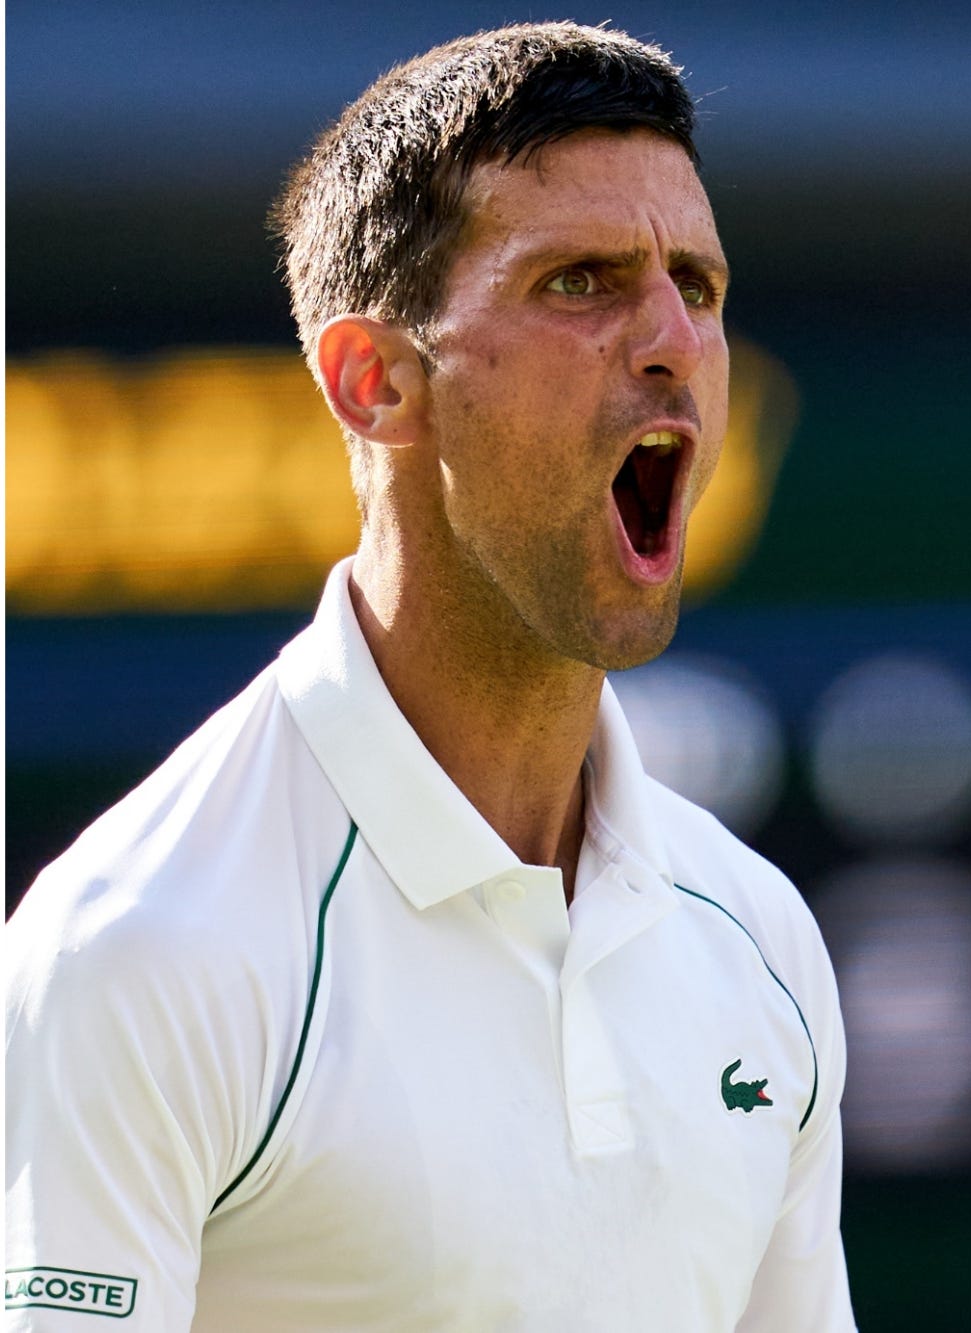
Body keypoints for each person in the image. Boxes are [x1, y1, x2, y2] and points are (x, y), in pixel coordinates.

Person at [5, 24, 851, 1331]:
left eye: (699, 281)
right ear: (374, 383)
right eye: (582, 281)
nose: (675, 338)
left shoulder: (765, 939)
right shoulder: (133, 948)